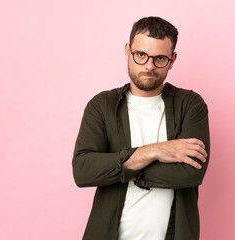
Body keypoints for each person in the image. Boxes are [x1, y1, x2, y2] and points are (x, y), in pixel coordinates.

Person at [72, 16, 210, 240]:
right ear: (128, 51)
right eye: (141, 55)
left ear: (172, 59)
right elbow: (83, 170)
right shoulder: (102, 105)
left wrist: (122, 169)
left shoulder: (190, 104)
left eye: (160, 58)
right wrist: (155, 151)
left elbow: (190, 172)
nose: (149, 66)